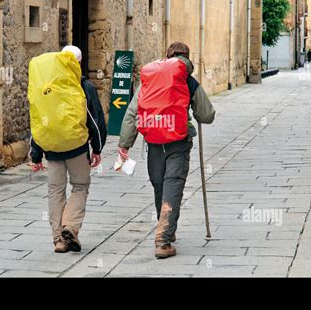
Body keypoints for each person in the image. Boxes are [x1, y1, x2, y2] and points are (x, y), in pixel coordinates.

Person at [118, 42, 215, 259]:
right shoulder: (188, 80)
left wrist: (124, 144)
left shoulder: (150, 81)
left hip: (154, 143)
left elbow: (132, 113)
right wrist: (193, 109)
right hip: (178, 142)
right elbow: (207, 115)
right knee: (174, 185)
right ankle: (163, 240)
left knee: (160, 185)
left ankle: (166, 230)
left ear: (167, 56)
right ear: (187, 58)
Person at [30, 45, 107, 253]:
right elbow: (95, 119)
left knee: (55, 190)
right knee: (80, 186)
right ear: (78, 62)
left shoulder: (46, 86)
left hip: (51, 149)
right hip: (77, 148)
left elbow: (38, 121)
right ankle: (70, 227)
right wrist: (97, 148)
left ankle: (58, 240)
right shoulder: (84, 86)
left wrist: (35, 155)